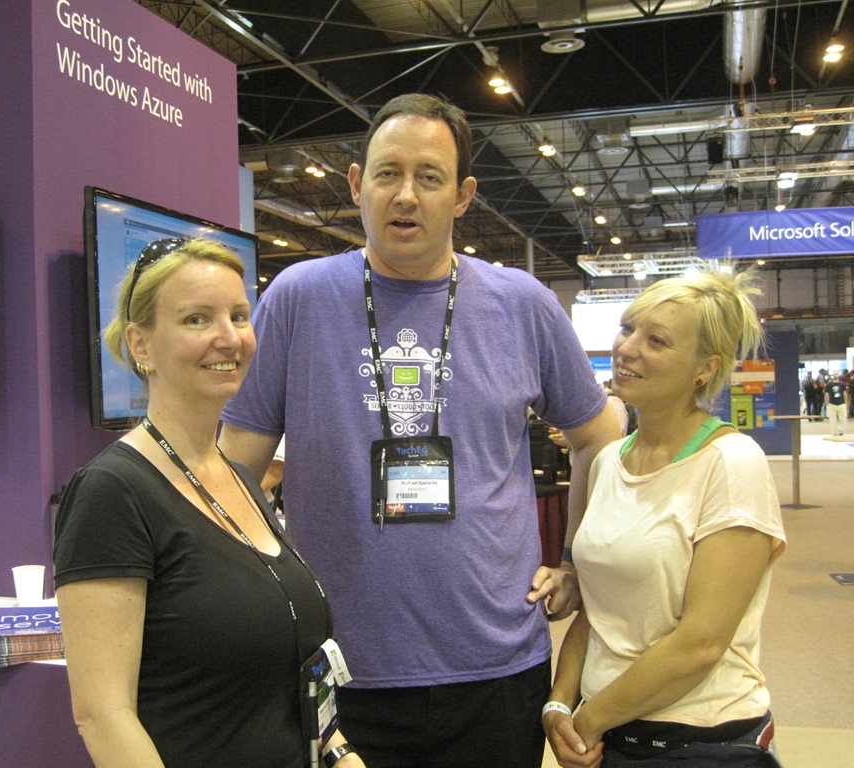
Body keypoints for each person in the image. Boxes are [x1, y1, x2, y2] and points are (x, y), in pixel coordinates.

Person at [220, 93, 623, 768]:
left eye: (429, 177)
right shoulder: (298, 298)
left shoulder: (522, 304)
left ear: (462, 196)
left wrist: (580, 560)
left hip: (495, 666)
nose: (405, 195)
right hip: (339, 664)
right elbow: (234, 467)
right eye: (388, 173)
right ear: (357, 185)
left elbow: (598, 439)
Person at [52, 238, 365, 768]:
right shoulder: (113, 492)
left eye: (239, 316)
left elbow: (291, 681)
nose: (229, 337)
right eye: (197, 319)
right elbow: (103, 716)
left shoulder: (240, 480)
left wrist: (341, 756)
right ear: (141, 344)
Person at [543, 268, 787, 768]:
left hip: (699, 740)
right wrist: (558, 705)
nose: (627, 348)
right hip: (610, 733)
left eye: (656, 340)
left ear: (704, 369)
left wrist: (587, 723)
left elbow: (701, 644)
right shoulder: (609, 461)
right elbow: (599, 611)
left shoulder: (730, 463)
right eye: (627, 328)